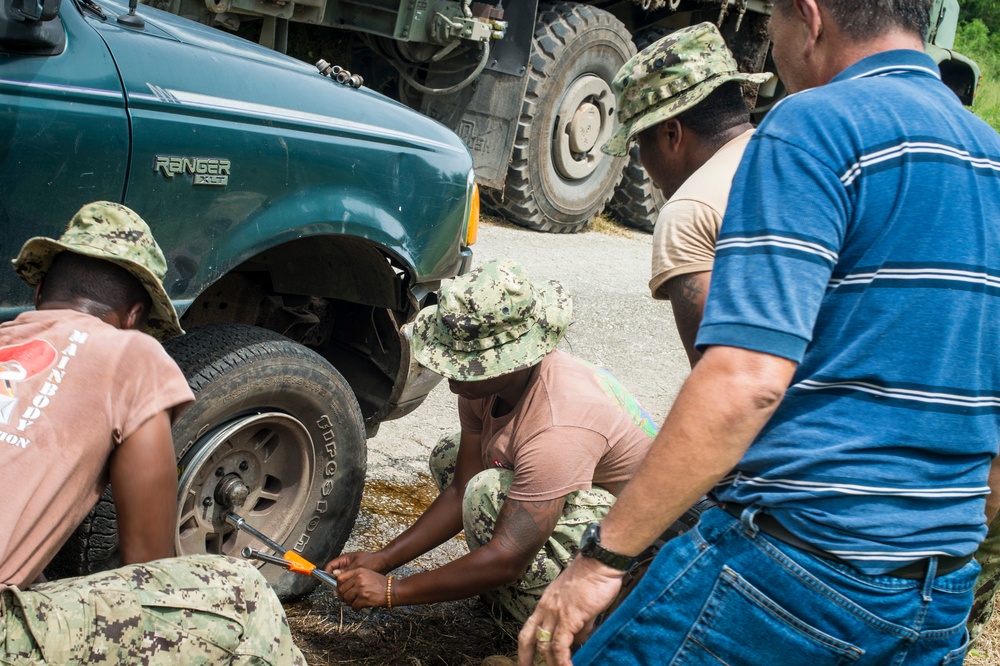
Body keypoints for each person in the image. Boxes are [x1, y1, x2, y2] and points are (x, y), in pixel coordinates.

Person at [519, 0, 1000, 663]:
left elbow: (743, 383)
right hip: (937, 593)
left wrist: (602, 560)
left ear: (809, 16)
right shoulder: (991, 157)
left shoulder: (815, 125)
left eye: (771, 21)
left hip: (798, 573)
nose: (771, 44)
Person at [0, 201, 305, 664]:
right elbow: (150, 565)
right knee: (241, 595)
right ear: (134, 315)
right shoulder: (133, 355)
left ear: (40, 291)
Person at [324, 259, 656, 623]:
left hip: (635, 548)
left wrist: (392, 591)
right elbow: (460, 486)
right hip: (579, 497)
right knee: (450, 457)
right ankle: (504, 586)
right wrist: (383, 560)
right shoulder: (483, 385)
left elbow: (508, 557)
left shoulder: (557, 424)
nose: (451, 377)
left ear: (511, 361)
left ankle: (569, 620)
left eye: (465, 364)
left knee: (488, 491)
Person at [601, 23, 770, 367]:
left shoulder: (689, 212)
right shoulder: (798, 156)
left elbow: (719, 381)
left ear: (671, 134)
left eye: (638, 143)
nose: (643, 162)